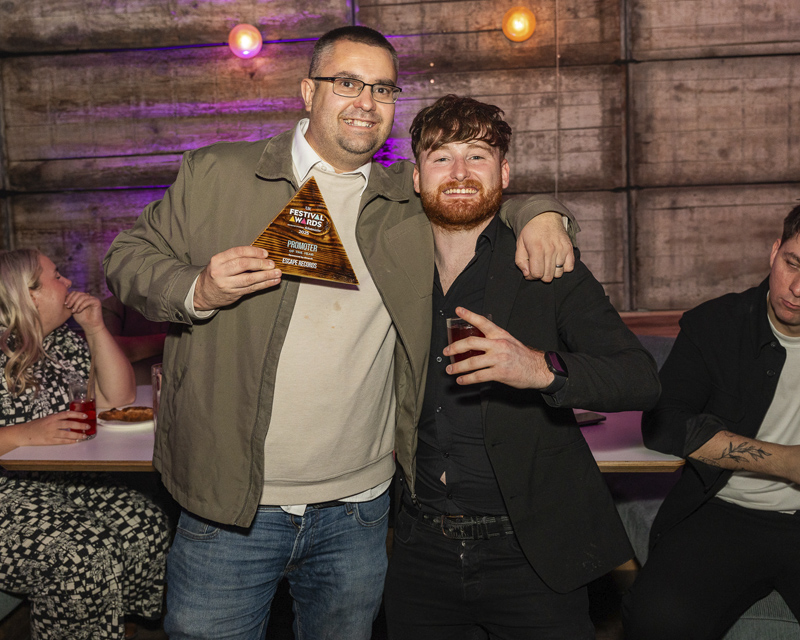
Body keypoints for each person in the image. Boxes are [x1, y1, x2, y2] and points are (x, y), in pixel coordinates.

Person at [104, 26, 578, 640]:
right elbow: (126, 258)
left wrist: (541, 212)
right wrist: (197, 288)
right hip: (229, 505)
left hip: (359, 510)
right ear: (308, 91)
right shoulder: (219, 173)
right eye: (348, 83)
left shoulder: (404, 197)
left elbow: (472, 188)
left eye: (383, 88)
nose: (367, 102)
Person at [382, 94, 661, 639]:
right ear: (416, 177)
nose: (459, 173)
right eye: (441, 158)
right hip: (419, 552)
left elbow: (639, 377)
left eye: (477, 156)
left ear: (504, 173)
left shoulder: (545, 264)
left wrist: (540, 369)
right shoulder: (389, 261)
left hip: (531, 552)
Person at [622, 204, 800, 639]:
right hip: (725, 510)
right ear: (774, 251)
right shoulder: (717, 324)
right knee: (656, 621)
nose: (797, 288)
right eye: (792, 264)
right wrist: (785, 462)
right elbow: (665, 423)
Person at [0, 249, 170, 640]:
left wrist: (94, 328)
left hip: (61, 481)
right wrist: (23, 434)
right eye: (57, 276)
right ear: (29, 294)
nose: (69, 282)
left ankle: (119, 625)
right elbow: (28, 433)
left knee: (145, 523)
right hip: (8, 492)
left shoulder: (61, 342)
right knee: (82, 554)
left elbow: (118, 399)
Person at [102, 295, 168, 385]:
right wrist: (171, 342)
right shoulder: (113, 305)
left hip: (178, 384)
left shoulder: (180, 301)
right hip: (135, 386)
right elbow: (109, 350)